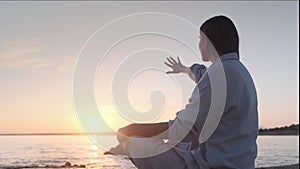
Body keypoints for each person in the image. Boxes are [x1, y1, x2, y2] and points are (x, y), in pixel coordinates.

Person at [107, 15, 258, 169]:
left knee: (135, 143)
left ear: (206, 41)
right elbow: (200, 74)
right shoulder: (239, 72)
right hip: (242, 164)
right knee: (182, 144)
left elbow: (182, 130)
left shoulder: (217, 77)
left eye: (200, 38)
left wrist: (132, 129)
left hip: (214, 165)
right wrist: (184, 69)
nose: (199, 44)